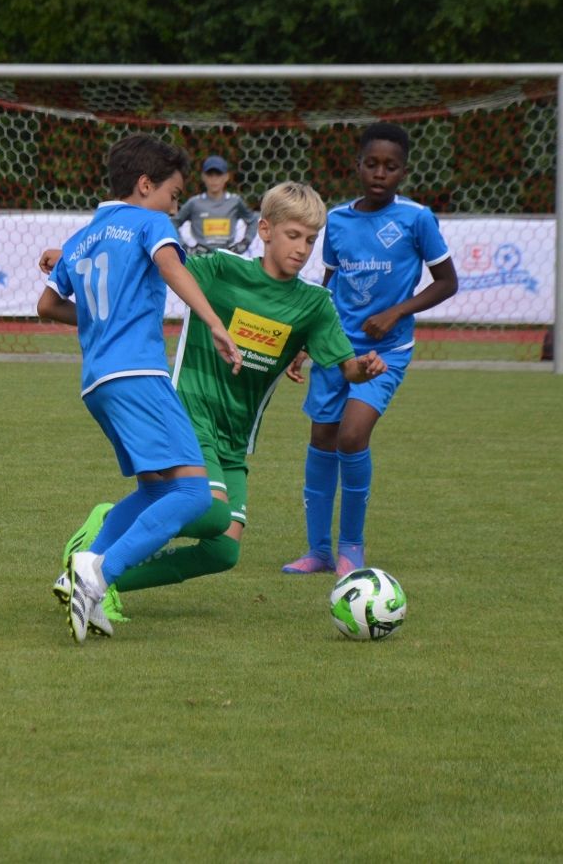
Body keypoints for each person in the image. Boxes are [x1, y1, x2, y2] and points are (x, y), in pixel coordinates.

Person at [46, 183, 386, 621]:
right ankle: (105, 553)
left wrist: (366, 367)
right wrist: (69, 257)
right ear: (265, 229)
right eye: (293, 235)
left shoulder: (314, 305)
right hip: (191, 413)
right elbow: (154, 263)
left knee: (223, 550)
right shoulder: (219, 269)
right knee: (208, 511)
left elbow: (346, 369)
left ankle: (97, 572)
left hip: (236, 436)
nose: (302, 249)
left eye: (310, 240)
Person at [38, 134, 241, 643]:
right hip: (139, 375)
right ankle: (100, 573)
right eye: (174, 196)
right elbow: (172, 267)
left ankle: (76, 574)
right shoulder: (151, 223)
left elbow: (46, 306)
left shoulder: (84, 237)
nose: (176, 206)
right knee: (194, 494)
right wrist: (215, 323)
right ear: (145, 184)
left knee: (157, 489)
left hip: (97, 383)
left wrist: (102, 319)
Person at [282, 122, 458, 577]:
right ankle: (319, 551)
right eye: (372, 164)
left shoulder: (416, 219)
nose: (380, 173)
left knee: (353, 435)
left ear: (403, 172)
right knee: (322, 437)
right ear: (358, 165)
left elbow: (447, 283)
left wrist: (396, 312)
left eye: (391, 166)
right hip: (333, 348)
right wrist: (305, 341)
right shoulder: (337, 220)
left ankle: (351, 548)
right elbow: (328, 284)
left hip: (388, 352)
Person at [171, 155, 259, 256]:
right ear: (203, 177)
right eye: (210, 175)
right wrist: (184, 246)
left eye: (218, 174)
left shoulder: (235, 201)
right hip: (201, 258)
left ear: (226, 177)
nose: (214, 179)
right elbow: (173, 223)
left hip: (227, 257)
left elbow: (253, 221)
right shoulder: (194, 203)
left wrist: (245, 243)